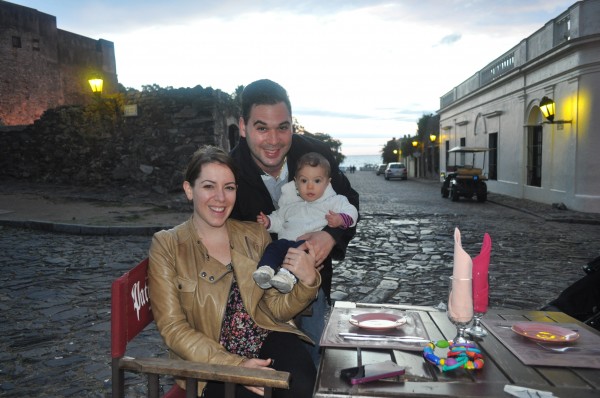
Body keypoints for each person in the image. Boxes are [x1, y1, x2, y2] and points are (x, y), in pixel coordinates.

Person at [148, 146, 320, 398]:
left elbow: (273, 309)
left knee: (301, 384)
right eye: (209, 186)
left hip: (261, 336)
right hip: (209, 359)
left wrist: (307, 282)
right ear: (189, 190)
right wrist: (236, 366)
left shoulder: (254, 234)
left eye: (229, 187)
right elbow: (173, 328)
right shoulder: (168, 245)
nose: (220, 197)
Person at [230, 79, 360, 366]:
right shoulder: (229, 174)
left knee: (313, 362)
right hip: (257, 298)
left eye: (283, 127)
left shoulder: (316, 155)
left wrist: (330, 235)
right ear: (243, 127)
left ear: (292, 124)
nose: (274, 140)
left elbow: (349, 198)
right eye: (262, 128)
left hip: (312, 288)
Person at [253, 152, 358, 294]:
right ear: (296, 182)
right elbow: (278, 221)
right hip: (286, 243)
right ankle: (266, 270)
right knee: (274, 247)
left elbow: (351, 211)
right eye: (304, 181)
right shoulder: (291, 205)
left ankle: (287, 275)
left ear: (328, 182)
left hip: (308, 247)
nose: (310, 187)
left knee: (300, 253)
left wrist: (340, 219)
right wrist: (268, 222)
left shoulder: (334, 201)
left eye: (317, 181)